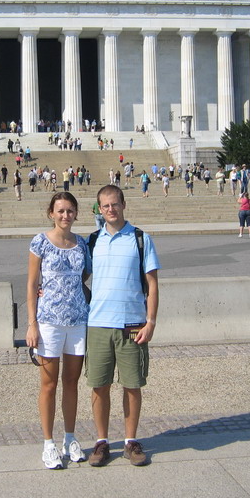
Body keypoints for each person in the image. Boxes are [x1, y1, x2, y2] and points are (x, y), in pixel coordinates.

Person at [85, 185, 160, 467]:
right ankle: (102, 441)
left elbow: (152, 284)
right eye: (105, 206)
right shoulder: (92, 241)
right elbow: (75, 277)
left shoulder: (141, 239)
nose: (110, 210)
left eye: (114, 204)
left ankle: (130, 441)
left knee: (132, 385)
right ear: (99, 209)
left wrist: (150, 321)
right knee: (99, 385)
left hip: (132, 324)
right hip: (99, 324)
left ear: (124, 204)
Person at [26, 192, 91, 469]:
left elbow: (84, 275)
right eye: (60, 211)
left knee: (72, 383)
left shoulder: (82, 244)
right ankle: (48, 443)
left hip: (77, 320)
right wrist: (32, 323)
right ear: (51, 213)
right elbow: (31, 284)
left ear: (76, 213)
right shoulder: (40, 242)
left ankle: (70, 437)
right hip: (49, 322)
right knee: (49, 384)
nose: (66, 216)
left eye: (70, 211)